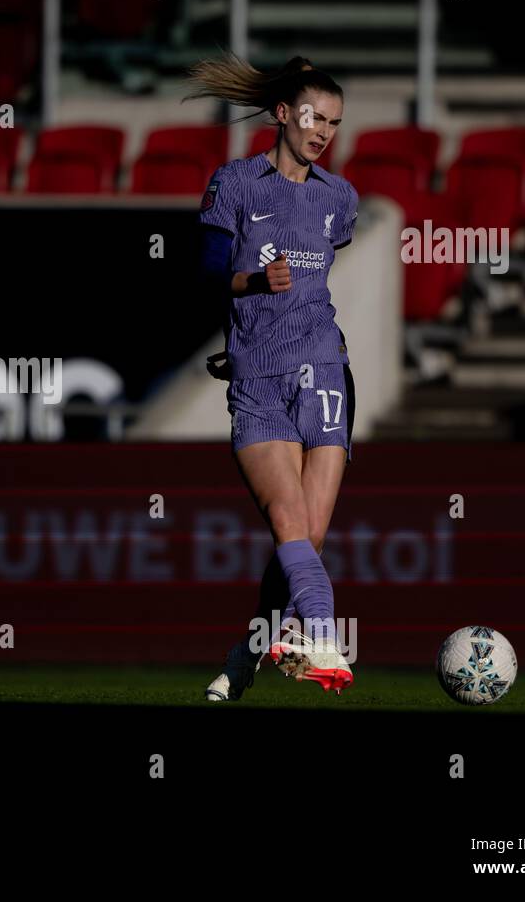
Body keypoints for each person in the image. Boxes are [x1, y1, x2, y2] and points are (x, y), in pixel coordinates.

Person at [190, 54, 359, 700]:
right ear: (284, 113)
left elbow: (314, 287)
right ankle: (319, 636)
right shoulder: (235, 184)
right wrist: (255, 285)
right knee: (289, 523)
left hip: (325, 374)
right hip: (259, 381)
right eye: (316, 117)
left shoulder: (338, 199)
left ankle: (246, 655)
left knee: (307, 538)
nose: (324, 133)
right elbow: (207, 273)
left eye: (336, 123)